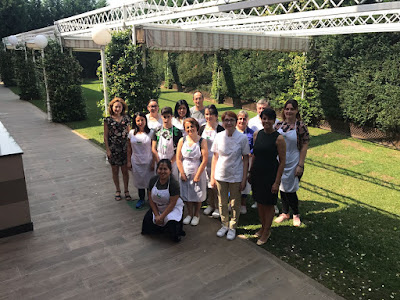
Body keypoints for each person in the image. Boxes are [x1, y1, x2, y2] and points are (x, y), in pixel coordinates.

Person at [210, 111, 250, 241]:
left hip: (236, 175)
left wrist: (244, 178)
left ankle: (232, 226)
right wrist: (212, 176)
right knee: (221, 202)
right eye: (226, 120)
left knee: (234, 203)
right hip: (221, 174)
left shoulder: (242, 138)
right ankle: (224, 224)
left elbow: (245, 159)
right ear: (223, 122)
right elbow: (215, 157)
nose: (229, 123)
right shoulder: (219, 136)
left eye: (232, 120)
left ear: (236, 121)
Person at [249, 108, 286, 245]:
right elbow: (254, 155)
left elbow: (282, 161)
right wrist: (250, 172)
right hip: (257, 173)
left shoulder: (279, 138)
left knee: (268, 204)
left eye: (269, 119)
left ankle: (266, 231)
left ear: (273, 120)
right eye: (264, 118)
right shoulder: (257, 134)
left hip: (270, 174)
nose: (266, 121)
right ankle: (263, 226)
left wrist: (277, 182)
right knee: (259, 202)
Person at [274, 100, 309, 227]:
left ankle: (296, 214)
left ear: (296, 111)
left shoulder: (300, 126)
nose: (289, 111)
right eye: (287, 109)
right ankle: (285, 213)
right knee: (282, 187)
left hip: (294, 161)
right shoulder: (278, 125)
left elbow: (305, 145)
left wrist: (300, 164)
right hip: (280, 161)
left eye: (292, 109)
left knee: (291, 190)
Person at [141, 159, 185, 242]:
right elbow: (150, 199)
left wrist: (162, 217)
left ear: (170, 171)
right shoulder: (153, 180)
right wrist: (157, 215)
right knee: (146, 225)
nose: (162, 171)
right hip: (158, 206)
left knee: (173, 228)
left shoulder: (173, 184)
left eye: (165, 169)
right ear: (157, 170)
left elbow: (172, 203)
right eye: (160, 169)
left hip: (171, 208)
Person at [248, 98, 279, 213]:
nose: (261, 110)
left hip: (271, 158)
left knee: (270, 189)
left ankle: (273, 205)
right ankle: (257, 201)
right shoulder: (252, 122)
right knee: (258, 187)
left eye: (264, 108)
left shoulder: (277, 123)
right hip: (258, 157)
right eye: (259, 108)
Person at [176, 118, 208, 226]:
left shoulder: (201, 141)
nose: (190, 129)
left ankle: (196, 214)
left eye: (192, 126)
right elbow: (178, 159)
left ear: (196, 127)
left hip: (197, 170)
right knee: (186, 194)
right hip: (185, 170)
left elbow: (204, 159)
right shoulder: (182, 140)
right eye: (187, 127)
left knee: (197, 194)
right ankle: (189, 214)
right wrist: (182, 173)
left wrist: (198, 175)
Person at [199, 105, 225, 218]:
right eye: (206, 114)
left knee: (217, 186)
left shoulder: (220, 129)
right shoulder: (202, 128)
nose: (208, 116)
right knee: (208, 185)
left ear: (216, 116)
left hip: (217, 162)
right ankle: (211, 204)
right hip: (204, 162)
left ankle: (219, 208)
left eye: (211, 114)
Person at [104, 97, 131, 201]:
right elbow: (106, 136)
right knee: (115, 171)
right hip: (113, 149)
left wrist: (131, 149)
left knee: (125, 171)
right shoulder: (108, 120)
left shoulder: (126, 119)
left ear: (122, 108)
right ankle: (118, 190)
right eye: (116, 107)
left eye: (119, 107)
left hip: (125, 149)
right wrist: (107, 149)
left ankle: (126, 190)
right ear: (112, 107)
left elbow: (130, 134)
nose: (117, 109)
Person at [127, 112, 155, 209]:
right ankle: (141, 199)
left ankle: (151, 201)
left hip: (148, 161)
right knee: (140, 182)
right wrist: (128, 161)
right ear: (135, 121)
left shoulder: (151, 133)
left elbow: (154, 149)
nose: (140, 122)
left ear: (145, 121)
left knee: (149, 182)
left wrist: (153, 162)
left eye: (142, 120)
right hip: (136, 161)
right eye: (138, 120)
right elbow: (129, 148)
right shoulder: (131, 133)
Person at [152, 106, 183, 179]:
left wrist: (170, 162)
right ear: (161, 116)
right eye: (164, 116)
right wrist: (158, 161)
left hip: (172, 159)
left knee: (172, 181)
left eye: (168, 117)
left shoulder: (177, 131)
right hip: (159, 158)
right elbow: (153, 148)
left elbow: (179, 150)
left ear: (171, 117)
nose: (166, 119)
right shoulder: (157, 130)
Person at [236, 110, 254, 215]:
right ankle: (232, 202)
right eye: (240, 118)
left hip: (247, 161)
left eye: (244, 119)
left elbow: (254, 147)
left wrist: (249, 154)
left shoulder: (251, 133)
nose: (242, 121)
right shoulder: (232, 131)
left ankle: (243, 203)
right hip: (234, 161)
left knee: (244, 182)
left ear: (247, 120)